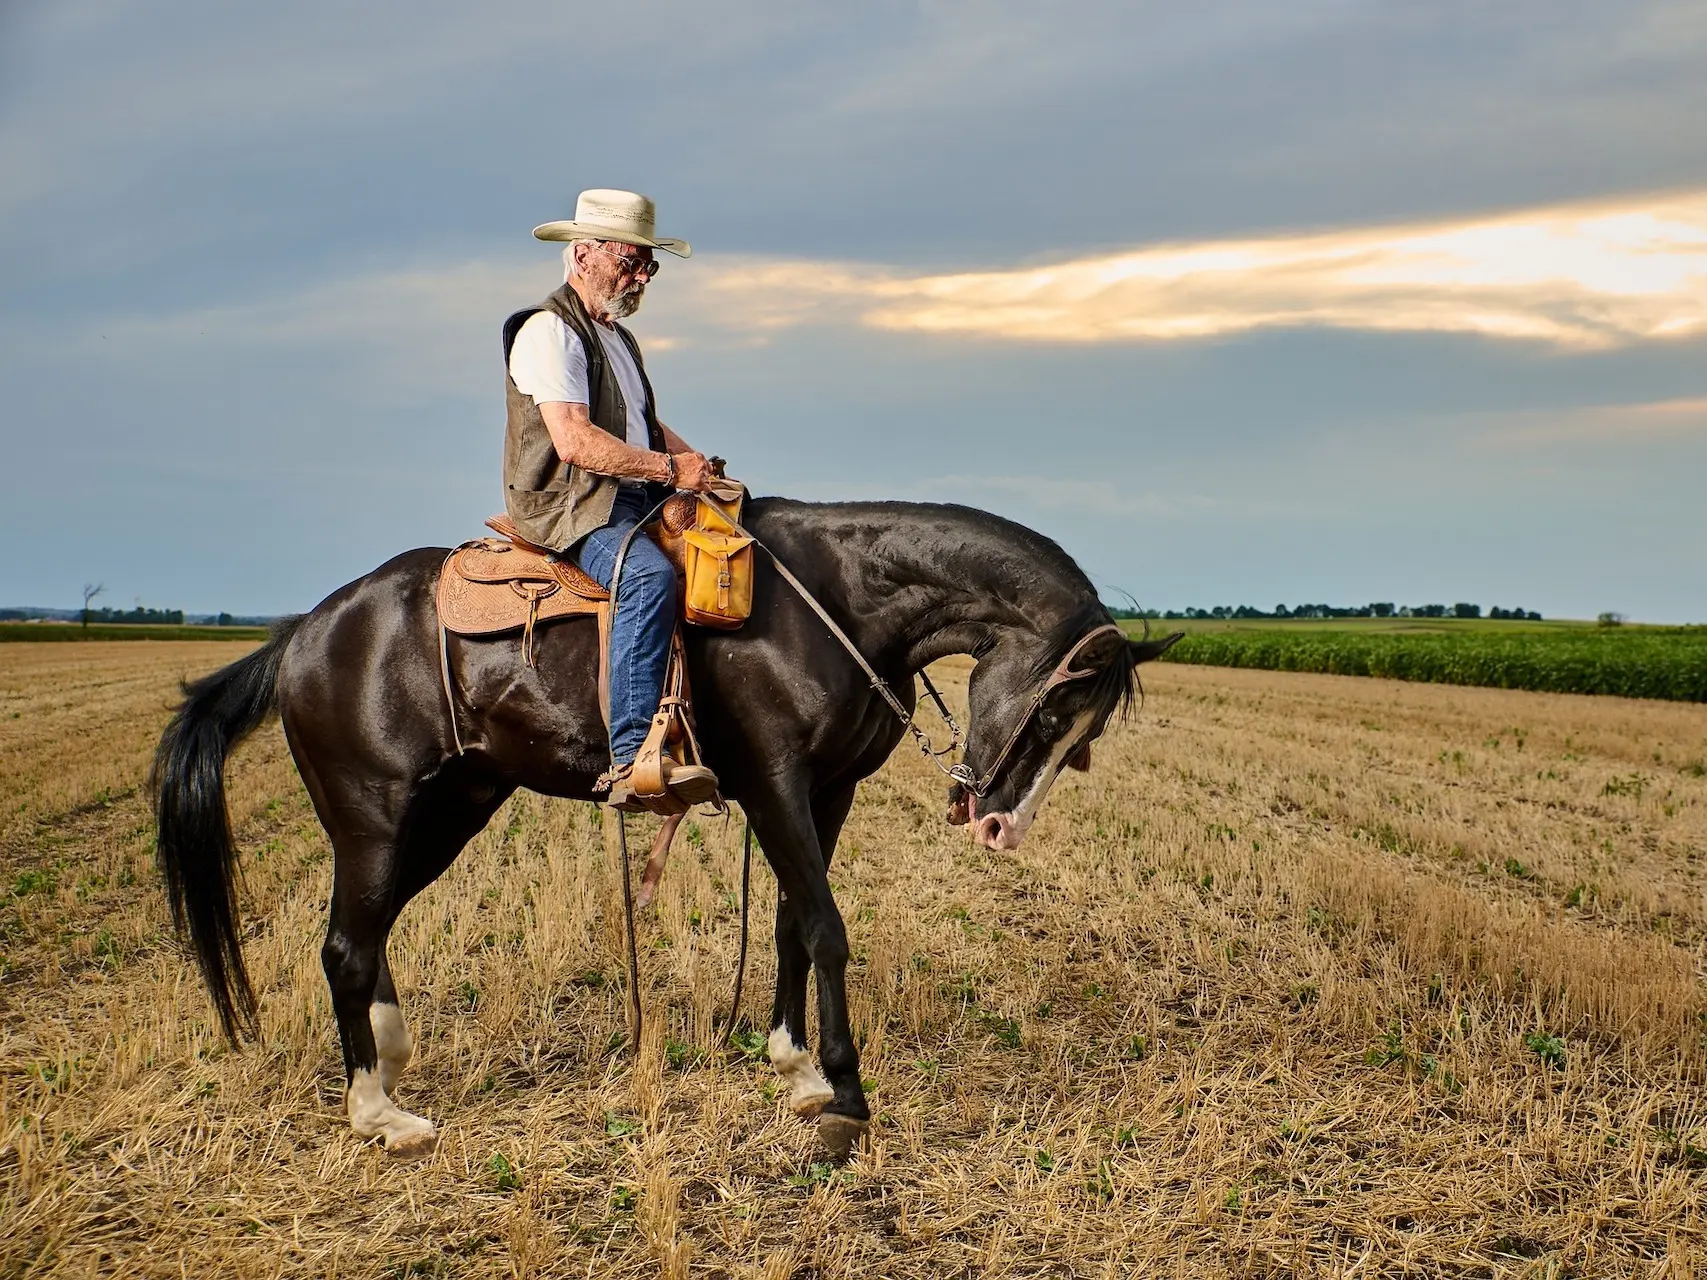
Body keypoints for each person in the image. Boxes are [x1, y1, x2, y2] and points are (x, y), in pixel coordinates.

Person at [501, 188, 718, 809]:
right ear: (584, 254)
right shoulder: (549, 331)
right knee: (649, 578)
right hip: (571, 507)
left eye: (649, 264)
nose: (642, 276)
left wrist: (703, 468)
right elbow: (574, 441)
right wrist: (670, 468)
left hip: (629, 498)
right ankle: (632, 758)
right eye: (631, 261)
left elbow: (644, 428)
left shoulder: (618, 339)